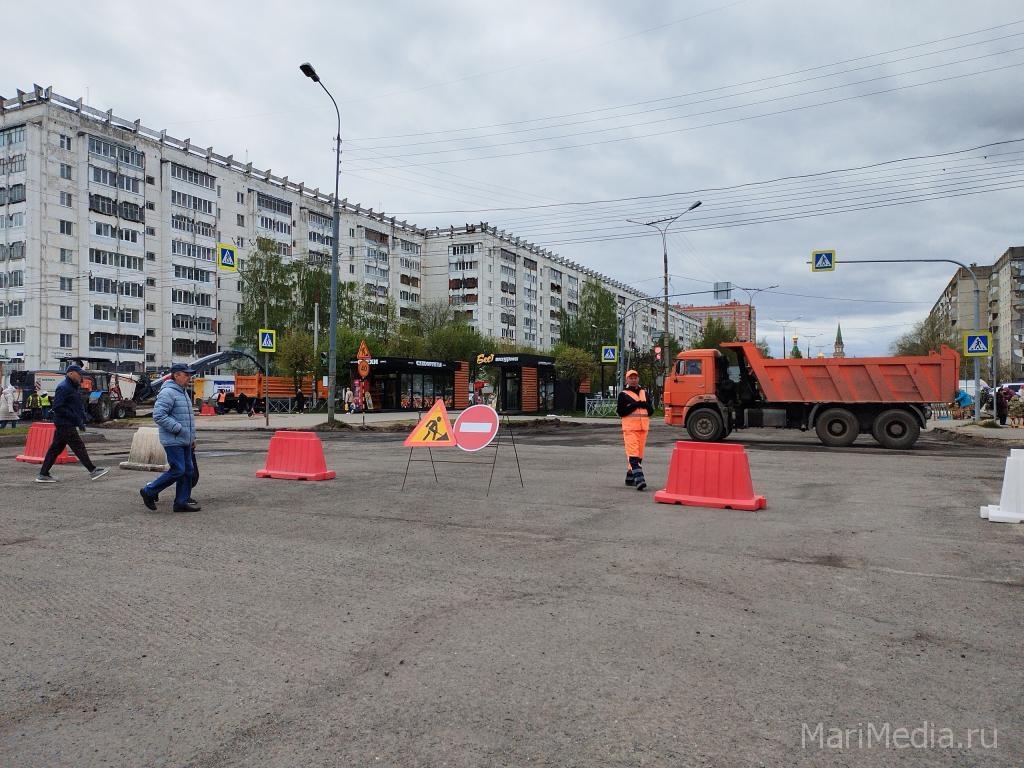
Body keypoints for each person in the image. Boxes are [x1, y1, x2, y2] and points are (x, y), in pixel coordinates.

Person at [139, 363, 199, 513]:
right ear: (176, 375)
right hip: (173, 440)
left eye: (190, 374)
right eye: (186, 374)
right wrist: (177, 429)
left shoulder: (183, 392)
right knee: (178, 469)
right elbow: (159, 416)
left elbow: (188, 418)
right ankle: (149, 491)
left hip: (184, 439)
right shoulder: (168, 392)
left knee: (188, 470)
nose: (189, 377)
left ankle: (181, 502)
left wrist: (192, 437)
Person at [34, 365, 109, 483]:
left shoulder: (73, 387)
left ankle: (43, 474)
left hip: (67, 423)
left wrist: (81, 419)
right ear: (70, 373)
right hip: (65, 423)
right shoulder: (63, 387)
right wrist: (75, 419)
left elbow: (75, 405)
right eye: (79, 374)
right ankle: (93, 470)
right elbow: (58, 407)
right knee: (79, 446)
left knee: (55, 449)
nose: (81, 376)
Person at [617, 369, 654, 491]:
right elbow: (621, 412)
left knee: (639, 455)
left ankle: (629, 478)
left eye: (635, 378)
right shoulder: (623, 394)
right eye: (631, 378)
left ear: (638, 379)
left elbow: (651, 411)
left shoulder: (644, 393)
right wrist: (635, 405)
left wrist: (645, 405)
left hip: (643, 428)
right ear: (627, 380)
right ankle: (639, 479)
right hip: (630, 428)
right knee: (633, 454)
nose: (633, 380)